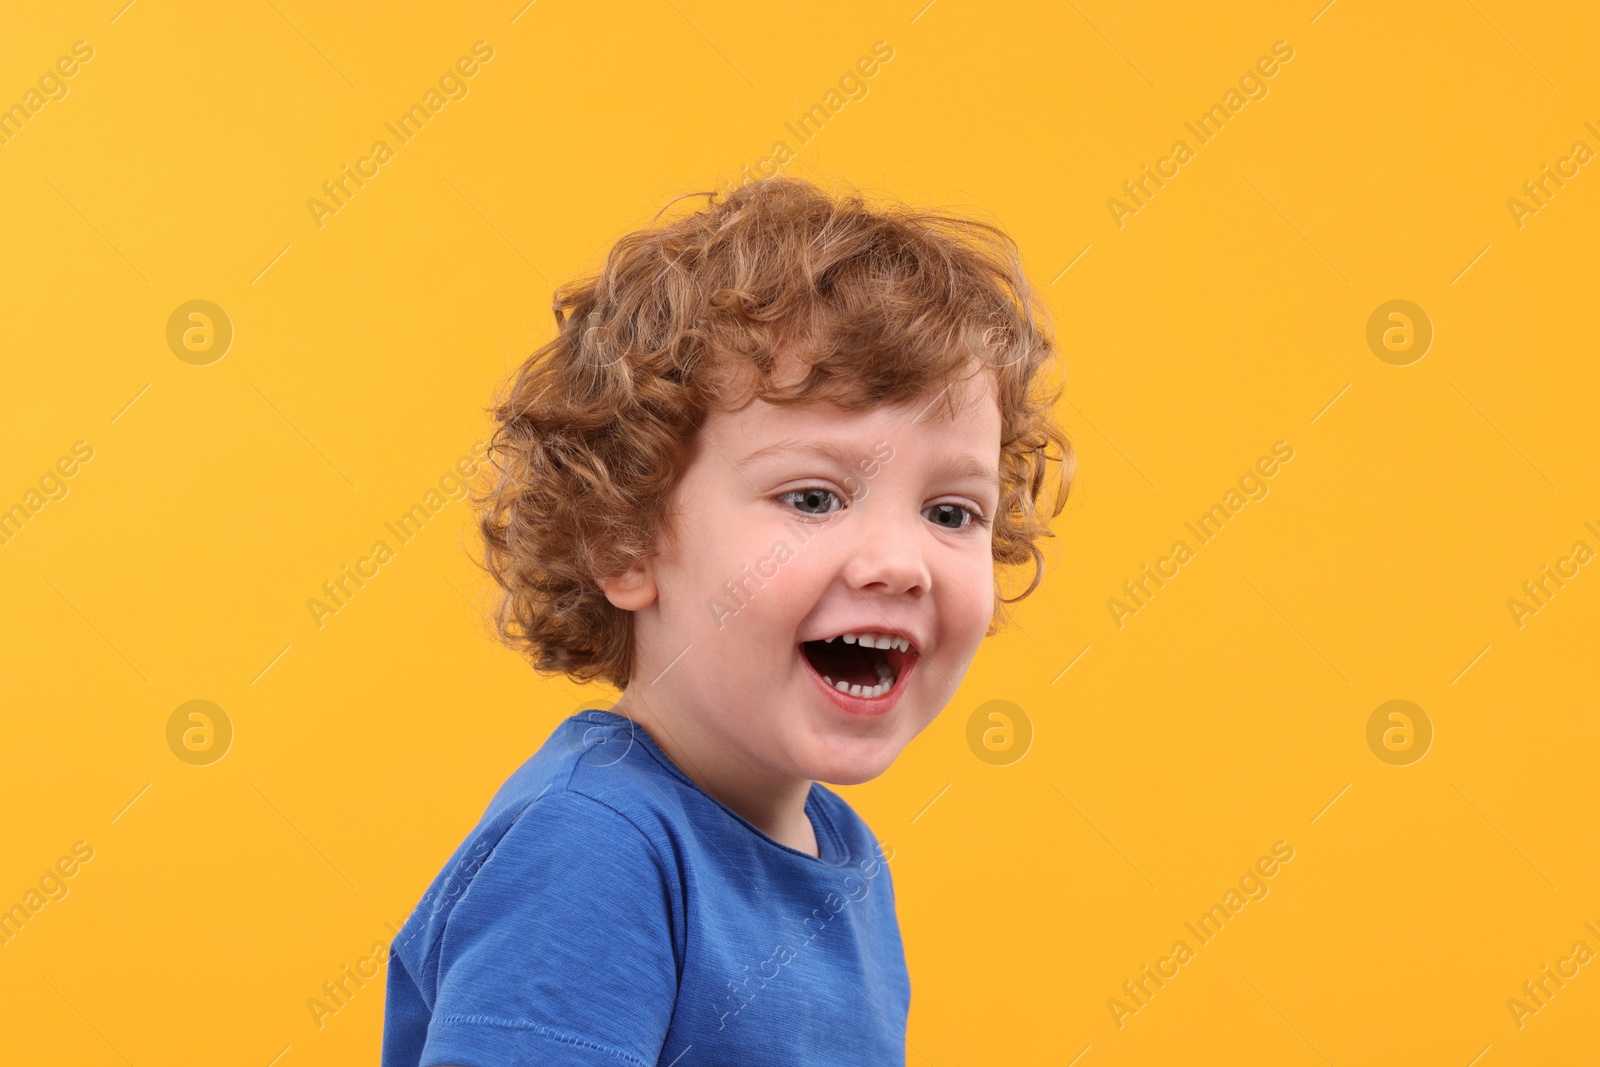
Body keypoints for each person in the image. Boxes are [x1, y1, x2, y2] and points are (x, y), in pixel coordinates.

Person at [381, 174, 1074, 1066]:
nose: (900, 562)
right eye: (815, 497)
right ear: (623, 542)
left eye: (950, 512)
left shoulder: (843, 857)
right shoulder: (595, 847)